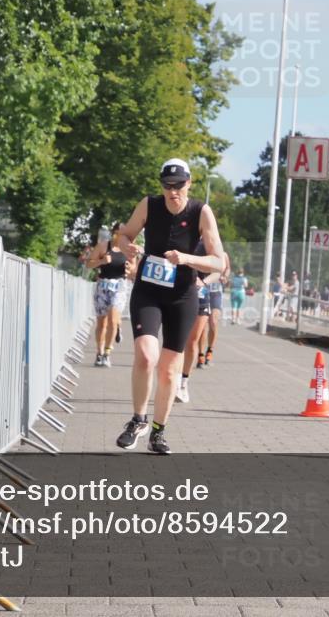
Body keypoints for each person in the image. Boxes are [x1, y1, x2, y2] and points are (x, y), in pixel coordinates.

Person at [114, 159, 225, 455]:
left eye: (178, 185)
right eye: (167, 185)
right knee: (146, 355)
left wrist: (187, 259)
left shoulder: (201, 212)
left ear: (189, 183)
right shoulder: (149, 205)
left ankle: (159, 432)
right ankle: (138, 420)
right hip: (148, 291)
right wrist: (127, 246)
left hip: (182, 295)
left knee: (168, 370)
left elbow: (219, 261)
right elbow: (123, 234)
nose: (173, 191)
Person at [86, 223, 133, 367]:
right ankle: (99, 353)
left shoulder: (129, 249)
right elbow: (89, 264)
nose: (121, 237)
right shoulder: (103, 246)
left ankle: (107, 353)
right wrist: (101, 261)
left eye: (125, 234)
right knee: (102, 323)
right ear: (114, 233)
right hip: (103, 286)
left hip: (119, 286)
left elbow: (134, 269)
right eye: (119, 233)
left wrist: (130, 268)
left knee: (112, 320)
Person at [178, 265, 212, 403]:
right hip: (180, 295)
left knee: (192, 341)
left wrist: (204, 282)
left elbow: (218, 269)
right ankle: (173, 378)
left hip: (201, 295)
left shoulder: (209, 244)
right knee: (178, 340)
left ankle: (183, 382)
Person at [201, 251, 230, 366]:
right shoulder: (201, 250)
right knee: (202, 326)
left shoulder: (223, 254)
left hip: (216, 292)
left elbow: (227, 268)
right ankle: (200, 354)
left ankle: (210, 350)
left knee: (213, 322)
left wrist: (225, 276)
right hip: (203, 290)